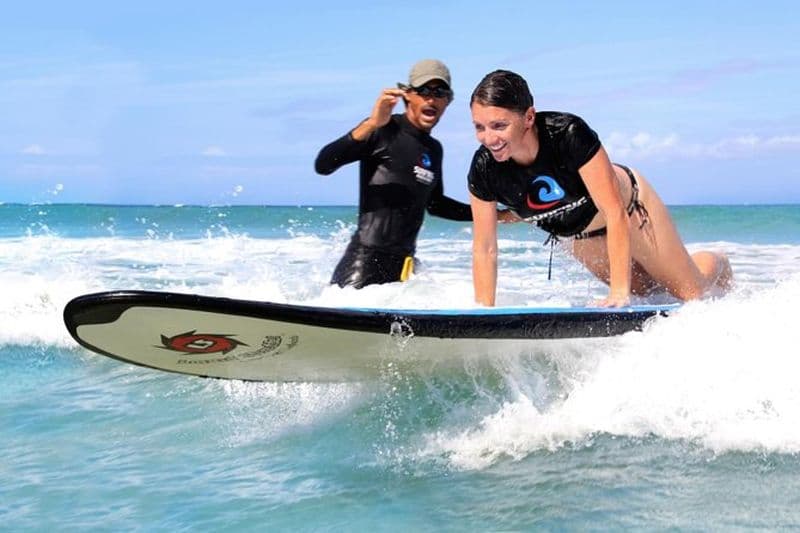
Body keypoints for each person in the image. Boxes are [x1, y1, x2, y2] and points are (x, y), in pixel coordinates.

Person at [467, 69, 732, 307]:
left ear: (528, 117)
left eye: (499, 126)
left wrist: (618, 293)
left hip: (629, 211)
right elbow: (485, 246)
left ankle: (717, 262)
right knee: (649, 293)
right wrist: (482, 312)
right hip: (582, 236)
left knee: (688, 292)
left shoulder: (568, 134)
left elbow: (614, 210)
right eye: (480, 127)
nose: (489, 139)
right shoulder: (483, 169)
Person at [315, 59, 477, 289]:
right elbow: (323, 165)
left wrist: (496, 215)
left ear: (448, 101)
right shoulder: (382, 130)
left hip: (402, 266)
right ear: (407, 94)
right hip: (364, 263)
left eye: (439, 92)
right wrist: (371, 123)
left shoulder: (434, 149)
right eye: (424, 91)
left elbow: (435, 204)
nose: (431, 98)